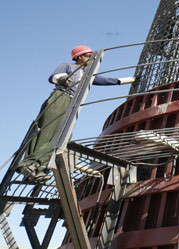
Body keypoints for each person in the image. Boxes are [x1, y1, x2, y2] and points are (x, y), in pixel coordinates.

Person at [17, 46, 135, 182]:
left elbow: (106, 80)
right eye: (88, 56)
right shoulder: (68, 66)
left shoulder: (87, 75)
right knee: (47, 132)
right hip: (60, 98)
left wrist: (128, 80)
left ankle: (38, 167)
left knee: (63, 137)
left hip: (73, 104)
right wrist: (62, 79)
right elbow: (54, 77)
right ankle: (29, 163)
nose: (91, 59)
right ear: (79, 57)